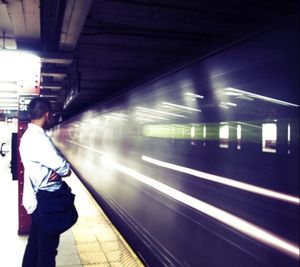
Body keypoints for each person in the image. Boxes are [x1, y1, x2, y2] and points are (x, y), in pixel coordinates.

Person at [19, 96, 71, 267]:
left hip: (38, 199)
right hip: (48, 201)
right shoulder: (39, 140)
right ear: (47, 115)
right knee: (47, 250)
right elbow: (64, 168)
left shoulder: (27, 136)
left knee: (34, 245)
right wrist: (59, 169)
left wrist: (52, 170)